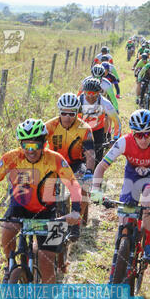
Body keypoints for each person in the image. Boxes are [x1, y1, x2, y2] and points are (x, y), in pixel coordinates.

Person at [0, 119, 81, 284]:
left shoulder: (55, 159)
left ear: (44, 143)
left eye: (36, 145)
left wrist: (75, 210)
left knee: (46, 261)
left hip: (47, 211)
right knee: (7, 234)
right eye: (26, 146)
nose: (31, 151)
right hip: (19, 207)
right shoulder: (11, 158)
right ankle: (10, 265)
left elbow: (73, 184)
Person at [90, 109, 150, 262]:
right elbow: (100, 167)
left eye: (147, 134)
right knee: (124, 220)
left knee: (147, 204)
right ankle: (122, 247)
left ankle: (149, 244)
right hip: (132, 179)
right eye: (139, 135)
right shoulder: (124, 142)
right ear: (132, 133)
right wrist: (96, 189)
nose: (143, 139)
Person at [46, 93, 95, 225]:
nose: (67, 117)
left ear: (77, 113)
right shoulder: (50, 126)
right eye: (64, 113)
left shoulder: (85, 128)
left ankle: (77, 219)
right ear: (59, 112)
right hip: (54, 164)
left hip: (75, 164)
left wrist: (89, 171)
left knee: (85, 184)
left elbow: (90, 154)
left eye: (72, 114)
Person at [78, 77, 121, 165]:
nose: (90, 96)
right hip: (82, 131)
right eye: (87, 93)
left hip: (98, 131)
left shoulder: (104, 102)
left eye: (93, 93)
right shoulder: (78, 101)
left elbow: (116, 121)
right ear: (84, 92)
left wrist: (116, 138)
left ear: (99, 93)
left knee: (98, 161)